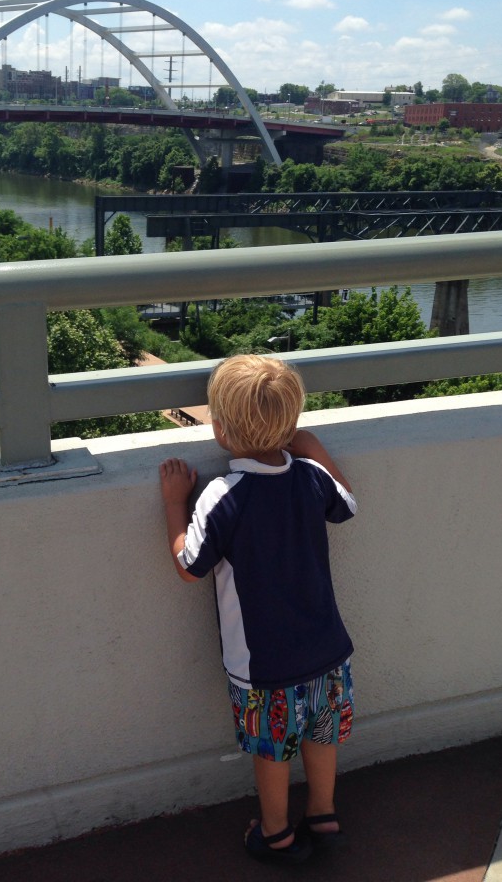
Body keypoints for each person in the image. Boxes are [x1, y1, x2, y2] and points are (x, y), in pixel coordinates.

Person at [159, 354, 357, 864]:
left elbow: (189, 566)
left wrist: (175, 503)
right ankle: (323, 815)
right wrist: (312, 447)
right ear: (290, 423)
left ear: (221, 430)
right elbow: (347, 504)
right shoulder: (310, 477)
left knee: (272, 748)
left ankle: (276, 834)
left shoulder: (222, 495)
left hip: (264, 666)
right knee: (321, 735)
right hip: (327, 650)